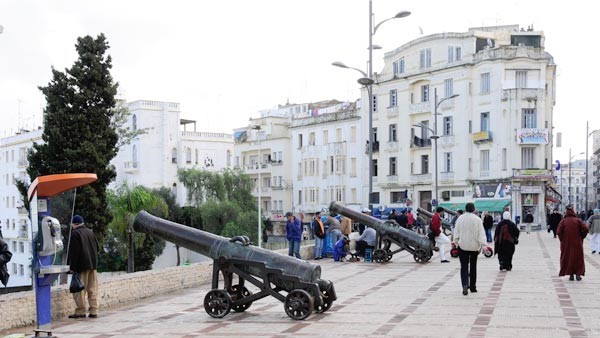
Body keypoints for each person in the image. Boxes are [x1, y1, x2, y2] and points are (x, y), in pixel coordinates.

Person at [67, 215, 100, 318]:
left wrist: (72, 268)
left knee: (79, 290)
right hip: (93, 266)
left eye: (72, 224)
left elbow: (74, 253)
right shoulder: (91, 232)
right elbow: (97, 248)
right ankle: (93, 311)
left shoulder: (75, 234)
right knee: (92, 289)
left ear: (75, 224)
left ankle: (80, 311)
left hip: (81, 267)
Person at [453, 202, 487, 296]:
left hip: (463, 246)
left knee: (464, 266)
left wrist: (455, 242)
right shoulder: (477, 219)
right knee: (473, 266)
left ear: (465, 209)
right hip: (474, 247)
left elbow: (456, 231)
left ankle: (464, 284)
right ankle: (473, 287)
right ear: (473, 209)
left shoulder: (460, 218)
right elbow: (481, 233)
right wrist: (484, 245)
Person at [557, 205, 589, 281]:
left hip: (567, 243)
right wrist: (581, 237)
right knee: (578, 258)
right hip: (577, 243)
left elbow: (558, 232)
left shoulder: (563, 221)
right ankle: (578, 274)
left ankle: (571, 274)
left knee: (568, 257)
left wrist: (562, 239)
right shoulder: (578, 220)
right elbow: (586, 229)